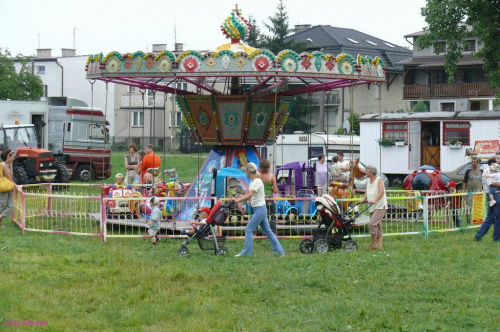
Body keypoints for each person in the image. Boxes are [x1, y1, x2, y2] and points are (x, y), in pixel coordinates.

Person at [233, 162, 285, 257]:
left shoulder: (256, 181)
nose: (245, 172)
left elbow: (249, 195)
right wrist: (239, 199)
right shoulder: (253, 181)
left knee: (249, 229)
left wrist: (237, 200)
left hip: (260, 210)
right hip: (260, 209)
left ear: (248, 171)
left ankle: (247, 252)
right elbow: (248, 194)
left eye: (246, 170)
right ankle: (280, 252)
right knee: (268, 231)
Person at [361, 165, 387, 250]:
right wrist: (363, 199)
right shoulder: (368, 181)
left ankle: (374, 244)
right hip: (372, 206)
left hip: (379, 205)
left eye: (366, 170)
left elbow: (381, 192)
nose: (365, 171)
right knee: (378, 225)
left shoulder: (379, 179)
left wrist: (375, 201)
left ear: (371, 172)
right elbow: (367, 192)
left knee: (372, 223)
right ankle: (380, 245)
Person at [474, 157, 500, 241]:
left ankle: (478, 236)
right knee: (498, 218)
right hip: (495, 195)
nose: (498, 163)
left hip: (491, 195)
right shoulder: (488, 171)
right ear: (492, 163)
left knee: (490, 217)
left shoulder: (492, 171)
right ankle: (496, 238)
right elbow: (492, 183)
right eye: (497, 162)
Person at [259, 159, 280, 233]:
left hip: (260, 199)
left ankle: (257, 232)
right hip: (269, 199)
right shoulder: (272, 176)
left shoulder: (258, 176)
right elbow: (275, 190)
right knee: (272, 216)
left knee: (258, 216)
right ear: (269, 166)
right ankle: (273, 232)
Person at [0, 150, 15, 229]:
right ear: (8, 156)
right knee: (2, 206)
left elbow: (11, 176)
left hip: (7, 187)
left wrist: (11, 166)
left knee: (11, 206)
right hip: (3, 188)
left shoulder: (7, 165)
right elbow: (8, 177)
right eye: (13, 157)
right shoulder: (3, 164)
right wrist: (15, 185)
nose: (14, 158)